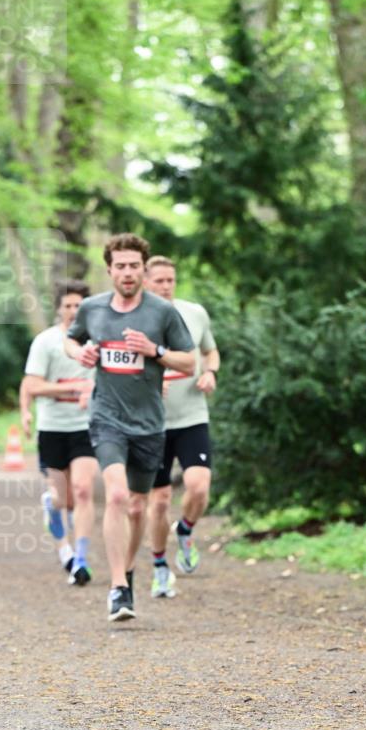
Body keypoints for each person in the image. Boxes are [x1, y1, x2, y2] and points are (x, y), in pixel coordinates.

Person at [65, 233, 195, 622]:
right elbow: (71, 342)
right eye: (119, 266)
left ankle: (128, 572)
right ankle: (118, 587)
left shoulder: (162, 313)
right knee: (118, 496)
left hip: (149, 424)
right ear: (109, 270)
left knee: (137, 507)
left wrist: (154, 351)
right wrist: (82, 351)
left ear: (143, 268)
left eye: (134, 266)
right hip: (107, 419)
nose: (127, 272)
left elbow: (189, 363)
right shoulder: (92, 309)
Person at [144, 256, 220, 598]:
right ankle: (160, 567)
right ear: (146, 282)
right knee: (158, 500)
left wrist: (210, 372)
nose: (165, 286)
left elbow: (211, 352)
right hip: (151, 423)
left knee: (199, 486)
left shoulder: (194, 313)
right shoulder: (137, 318)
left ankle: (185, 530)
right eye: (158, 280)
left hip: (191, 415)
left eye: (170, 280)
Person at [20, 281, 98, 586]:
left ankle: (80, 557)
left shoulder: (98, 340)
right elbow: (33, 385)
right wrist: (72, 387)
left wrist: (92, 390)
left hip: (86, 427)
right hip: (52, 429)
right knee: (61, 499)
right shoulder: (45, 342)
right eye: (67, 306)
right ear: (59, 309)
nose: (73, 311)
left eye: (79, 306)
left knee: (83, 490)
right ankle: (63, 548)